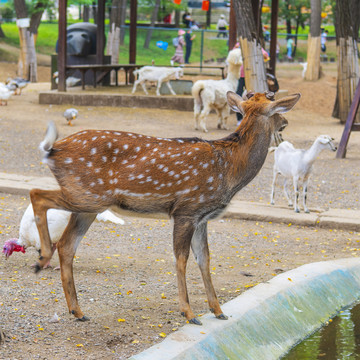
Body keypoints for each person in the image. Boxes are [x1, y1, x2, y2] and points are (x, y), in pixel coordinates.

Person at [235, 44, 269, 126]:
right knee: (238, 95)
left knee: (252, 96)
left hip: (253, 76)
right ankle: (239, 118)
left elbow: (266, 56)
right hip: (242, 75)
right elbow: (234, 52)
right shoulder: (240, 45)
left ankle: (251, 118)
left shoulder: (257, 47)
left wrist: (260, 54)